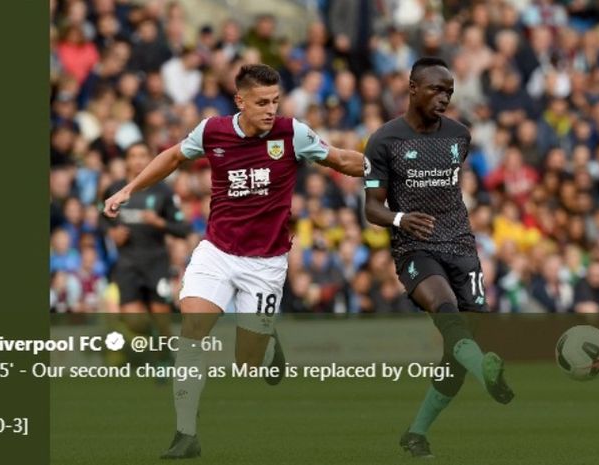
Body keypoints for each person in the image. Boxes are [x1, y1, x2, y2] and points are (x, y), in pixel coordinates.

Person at [103, 63, 363, 459]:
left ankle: (268, 346)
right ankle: (185, 434)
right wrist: (127, 190)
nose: (271, 109)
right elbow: (173, 157)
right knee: (193, 328)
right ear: (240, 100)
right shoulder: (212, 131)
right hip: (218, 251)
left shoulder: (293, 133)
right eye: (261, 102)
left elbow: (342, 160)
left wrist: (387, 170)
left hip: (266, 262)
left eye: (275, 100)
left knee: (247, 363)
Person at [364, 57, 514, 459]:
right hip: (414, 246)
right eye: (436, 89)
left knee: (457, 349)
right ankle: (488, 376)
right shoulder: (384, 140)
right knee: (447, 315)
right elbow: (371, 208)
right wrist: (401, 218)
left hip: (462, 246)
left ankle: (416, 432)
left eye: (449, 91)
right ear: (413, 88)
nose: (444, 98)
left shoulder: (459, 136)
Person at [102, 141, 190, 363]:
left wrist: (159, 222)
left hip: (156, 262)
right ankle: (155, 342)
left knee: (161, 318)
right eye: (133, 156)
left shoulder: (163, 191)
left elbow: (182, 229)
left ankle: (166, 359)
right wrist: (112, 232)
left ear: (150, 160)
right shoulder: (115, 189)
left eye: (143, 155)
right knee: (134, 320)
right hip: (128, 263)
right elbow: (101, 218)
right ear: (126, 160)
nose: (138, 160)